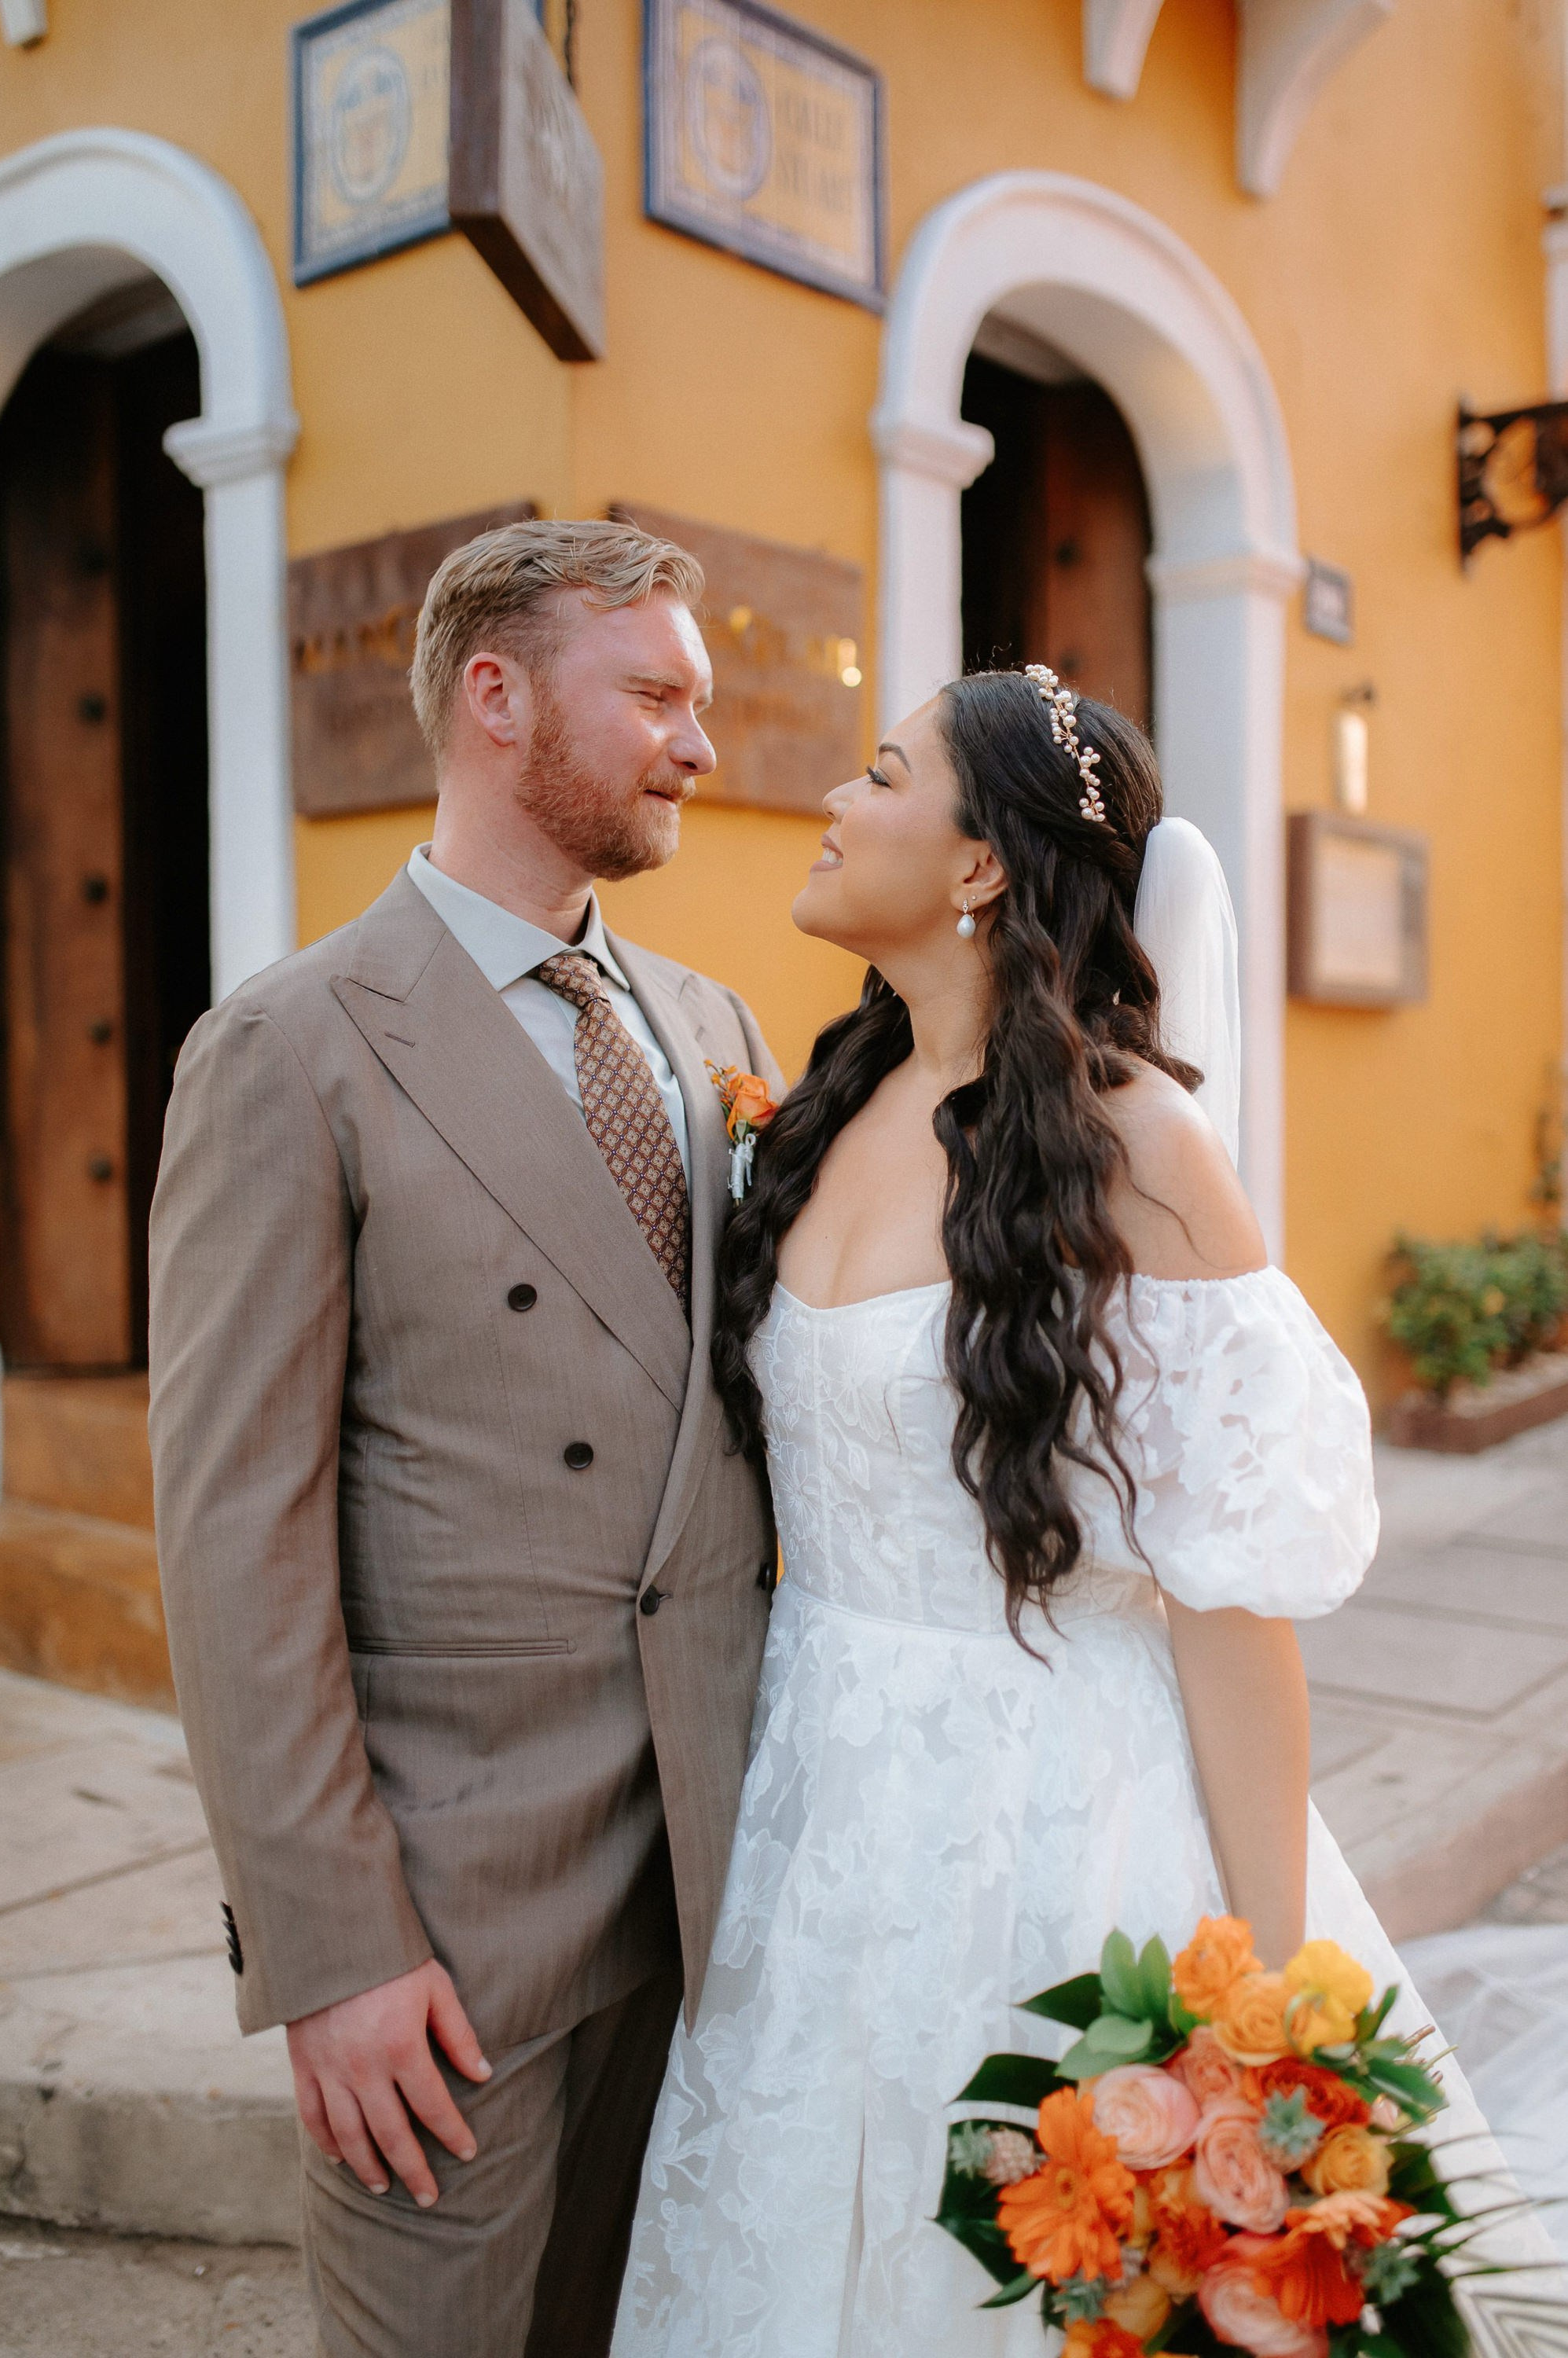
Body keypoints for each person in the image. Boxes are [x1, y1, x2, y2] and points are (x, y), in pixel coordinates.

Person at [611, 667, 1559, 2355]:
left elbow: (1228, 1600)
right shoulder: (822, 1105)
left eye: (881, 772)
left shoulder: (1139, 1147)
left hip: (1056, 1811)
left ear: (980, 866)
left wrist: (1269, 2010)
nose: (832, 799)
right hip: (815, 1810)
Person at [149, 518, 783, 2358]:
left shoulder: (710, 1020)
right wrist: (332, 1952)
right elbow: (231, 1542)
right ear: (495, 698)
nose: (700, 742)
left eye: (705, 702)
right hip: (450, 1929)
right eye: (656, 694)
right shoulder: (287, 1049)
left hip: (709, 1874)